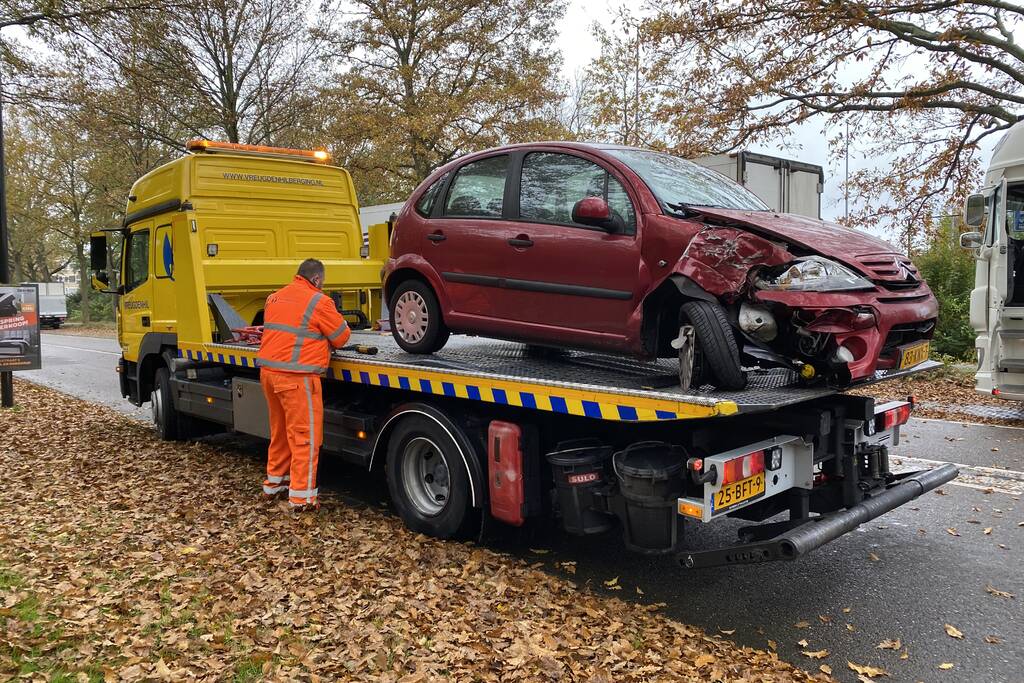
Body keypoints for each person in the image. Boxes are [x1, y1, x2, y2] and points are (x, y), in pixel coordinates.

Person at [257, 259, 350, 512]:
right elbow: (341, 337)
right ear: (317, 280)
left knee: (280, 433)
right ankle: (302, 498)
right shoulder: (319, 301)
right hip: (296, 377)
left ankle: (274, 485)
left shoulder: (274, 298)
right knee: (305, 438)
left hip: (269, 374)